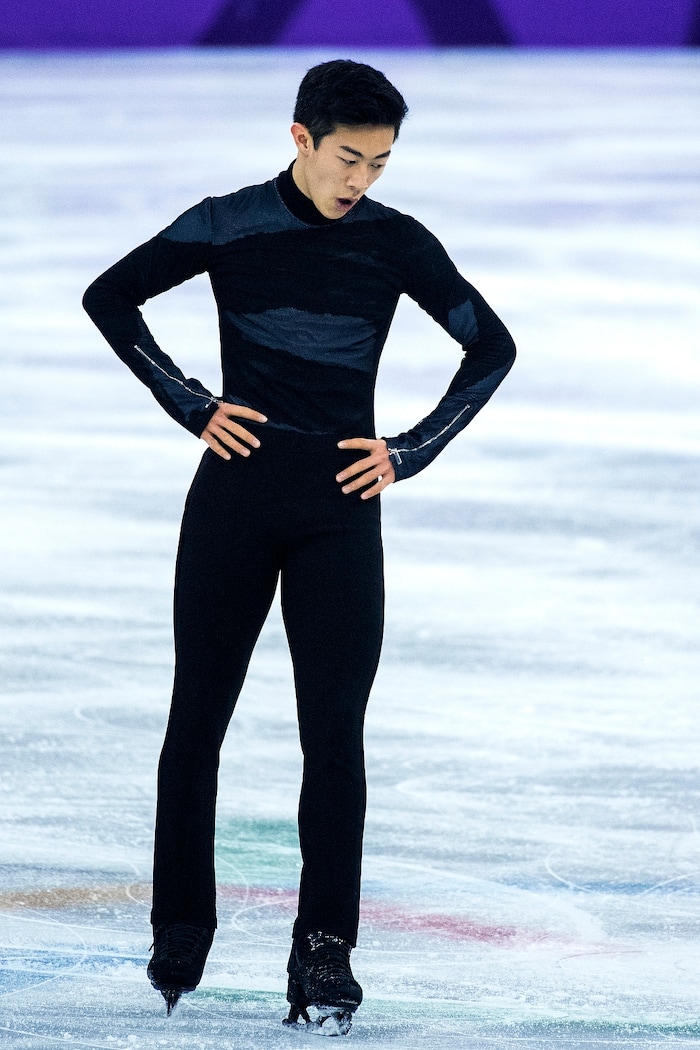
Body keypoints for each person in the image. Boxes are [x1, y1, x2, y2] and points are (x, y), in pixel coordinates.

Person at [83, 58, 515, 1034]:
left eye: (381, 161)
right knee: (197, 720)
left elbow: (491, 346)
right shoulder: (227, 222)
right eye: (347, 157)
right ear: (300, 139)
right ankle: (180, 922)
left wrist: (410, 450)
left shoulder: (395, 243)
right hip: (233, 501)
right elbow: (110, 297)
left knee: (335, 738)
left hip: (337, 515)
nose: (360, 178)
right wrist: (190, 402)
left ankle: (325, 948)